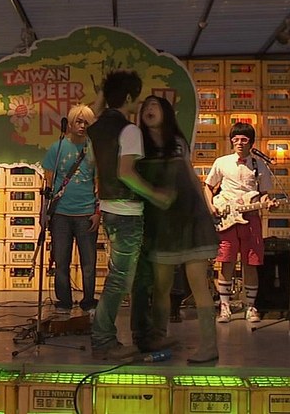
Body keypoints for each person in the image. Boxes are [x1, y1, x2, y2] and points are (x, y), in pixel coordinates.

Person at [86, 70, 175, 361]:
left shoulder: (96, 128)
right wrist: (156, 194)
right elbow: (126, 173)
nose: (138, 104)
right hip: (128, 211)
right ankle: (103, 339)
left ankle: (137, 335)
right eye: (136, 98)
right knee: (119, 280)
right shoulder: (130, 131)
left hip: (110, 209)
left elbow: (92, 161)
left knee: (131, 276)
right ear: (127, 98)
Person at [137, 95, 220, 363]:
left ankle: (209, 345)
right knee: (161, 286)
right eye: (145, 107)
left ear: (166, 112)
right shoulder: (139, 144)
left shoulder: (177, 143)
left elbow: (192, 178)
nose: (149, 110)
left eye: (154, 105)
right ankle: (159, 336)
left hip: (189, 218)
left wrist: (205, 214)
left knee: (198, 283)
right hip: (161, 223)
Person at [205, 122, 274, 324]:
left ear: (251, 142)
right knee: (226, 261)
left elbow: (263, 193)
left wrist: (268, 203)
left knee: (250, 263)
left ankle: (250, 306)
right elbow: (208, 186)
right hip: (227, 218)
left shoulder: (259, 165)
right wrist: (211, 206)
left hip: (250, 217)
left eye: (244, 139)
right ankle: (224, 307)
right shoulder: (222, 162)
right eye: (235, 139)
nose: (239, 143)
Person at [42, 104, 99, 317]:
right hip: (61, 214)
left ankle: (88, 301)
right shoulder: (57, 148)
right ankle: (63, 301)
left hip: (86, 213)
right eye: (79, 121)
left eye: (87, 123)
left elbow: (99, 183)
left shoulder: (95, 148)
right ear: (70, 123)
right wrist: (45, 212)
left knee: (89, 263)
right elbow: (48, 179)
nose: (82, 126)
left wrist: (97, 212)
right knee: (61, 261)